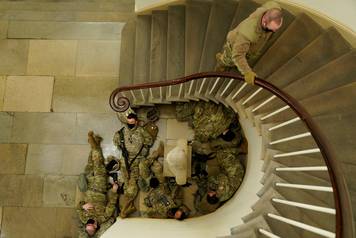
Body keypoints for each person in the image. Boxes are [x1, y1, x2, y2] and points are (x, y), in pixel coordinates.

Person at [216, 1, 283, 84]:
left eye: (275, 29)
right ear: (264, 22)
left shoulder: (273, 7)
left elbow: (272, 3)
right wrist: (247, 72)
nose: (273, 31)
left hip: (248, 48)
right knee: (228, 59)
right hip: (234, 47)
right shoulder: (247, 34)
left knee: (239, 60)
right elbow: (238, 55)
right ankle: (221, 63)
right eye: (271, 30)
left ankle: (233, 64)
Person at [76, 131, 119, 238]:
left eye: (87, 224)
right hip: (100, 186)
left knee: (90, 164)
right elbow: (111, 204)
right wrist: (114, 191)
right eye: (91, 225)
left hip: (89, 186)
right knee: (98, 163)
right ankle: (93, 143)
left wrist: (82, 206)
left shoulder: (83, 217)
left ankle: (96, 143)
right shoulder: (103, 217)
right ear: (95, 226)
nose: (89, 222)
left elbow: (78, 207)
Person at [113, 112, 154, 218]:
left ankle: (126, 206)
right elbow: (116, 142)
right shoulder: (121, 132)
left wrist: (144, 151)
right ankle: (128, 205)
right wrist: (122, 151)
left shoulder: (141, 131)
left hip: (137, 161)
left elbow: (149, 141)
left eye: (132, 122)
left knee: (132, 183)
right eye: (129, 122)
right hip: (124, 162)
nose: (130, 124)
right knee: (125, 181)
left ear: (136, 121)